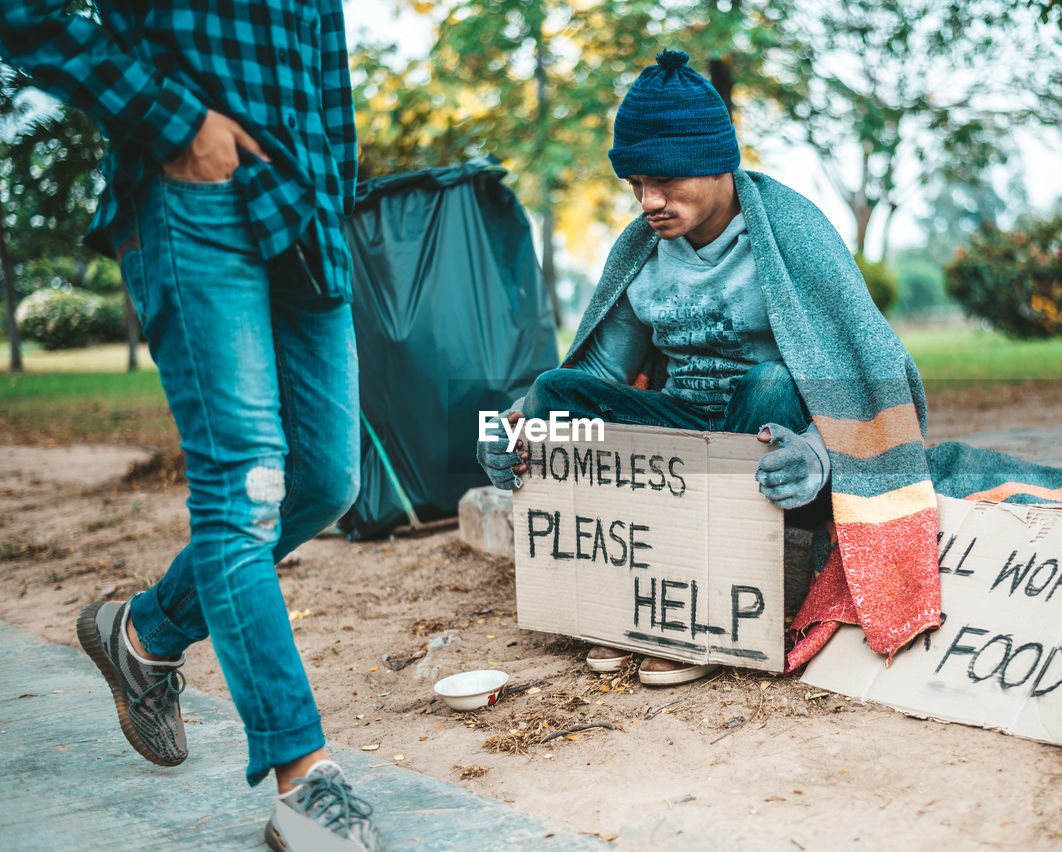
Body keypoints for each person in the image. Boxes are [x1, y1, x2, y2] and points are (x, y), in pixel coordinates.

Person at [0, 2, 379, 849]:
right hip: (191, 190)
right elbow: (27, 15)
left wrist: (339, 192)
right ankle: (303, 779)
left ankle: (145, 631)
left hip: (307, 207)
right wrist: (177, 125)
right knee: (244, 487)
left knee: (327, 479)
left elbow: (326, 53)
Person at [478, 49, 943, 686]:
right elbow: (602, 381)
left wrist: (815, 452)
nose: (649, 201)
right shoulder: (642, 249)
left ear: (718, 161)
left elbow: (869, 373)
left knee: (771, 380)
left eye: (665, 180)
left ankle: (704, 620)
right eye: (636, 185)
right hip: (683, 441)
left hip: (769, 447)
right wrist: (517, 429)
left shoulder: (792, 232)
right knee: (553, 391)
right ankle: (627, 606)